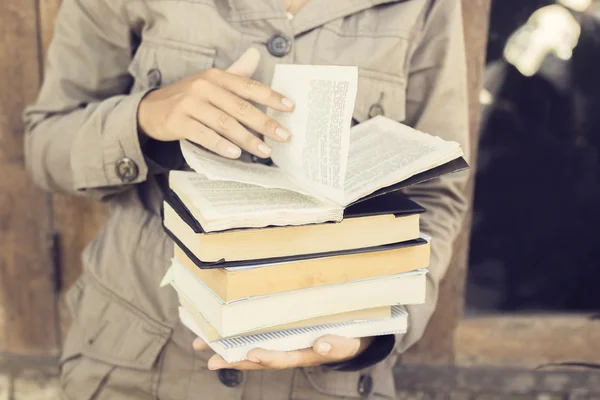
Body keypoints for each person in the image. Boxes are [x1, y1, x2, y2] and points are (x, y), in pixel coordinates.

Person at [23, 0, 470, 398]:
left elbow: (435, 190)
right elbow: (46, 144)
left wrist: (376, 326)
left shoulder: (427, 6)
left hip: (325, 379)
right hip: (136, 360)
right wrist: (145, 116)